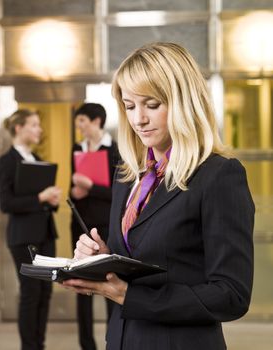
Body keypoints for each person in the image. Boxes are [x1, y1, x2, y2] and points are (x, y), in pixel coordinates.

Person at [63, 42, 255, 350]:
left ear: (183, 102)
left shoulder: (219, 175)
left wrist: (127, 295)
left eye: (151, 105)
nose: (138, 119)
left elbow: (231, 294)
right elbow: (142, 256)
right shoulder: (128, 174)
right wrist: (103, 257)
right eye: (129, 106)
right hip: (123, 339)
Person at [0, 109, 61, 350]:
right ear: (18, 128)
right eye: (34, 125)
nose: (39, 130)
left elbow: (40, 200)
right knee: (31, 292)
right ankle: (29, 346)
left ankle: (39, 344)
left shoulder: (35, 157)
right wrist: (40, 197)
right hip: (23, 237)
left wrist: (50, 201)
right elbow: (6, 204)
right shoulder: (7, 161)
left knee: (45, 291)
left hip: (45, 233)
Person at [70, 103, 120, 350]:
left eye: (82, 121)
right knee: (82, 286)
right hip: (80, 225)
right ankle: (86, 345)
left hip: (108, 225)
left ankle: (114, 340)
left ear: (97, 121)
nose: (79, 126)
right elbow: (75, 187)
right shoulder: (76, 149)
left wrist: (90, 186)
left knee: (111, 282)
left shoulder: (116, 150)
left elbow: (119, 194)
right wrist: (76, 191)